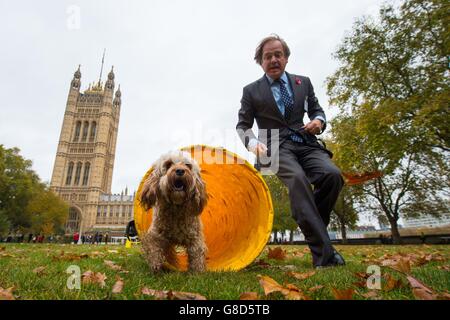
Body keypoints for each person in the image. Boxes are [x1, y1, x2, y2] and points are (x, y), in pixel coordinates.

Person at [236, 34, 345, 268]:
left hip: (306, 142)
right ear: (260, 62)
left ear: (286, 58)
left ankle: (306, 218)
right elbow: (243, 126)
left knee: (332, 176)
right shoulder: (251, 91)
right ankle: (325, 258)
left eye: (278, 55)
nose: (273, 59)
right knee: (297, 180)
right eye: (268, 57)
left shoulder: (303, 83)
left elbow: (317, 110)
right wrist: (253, 144)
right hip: (273, 146)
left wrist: (318, 121)